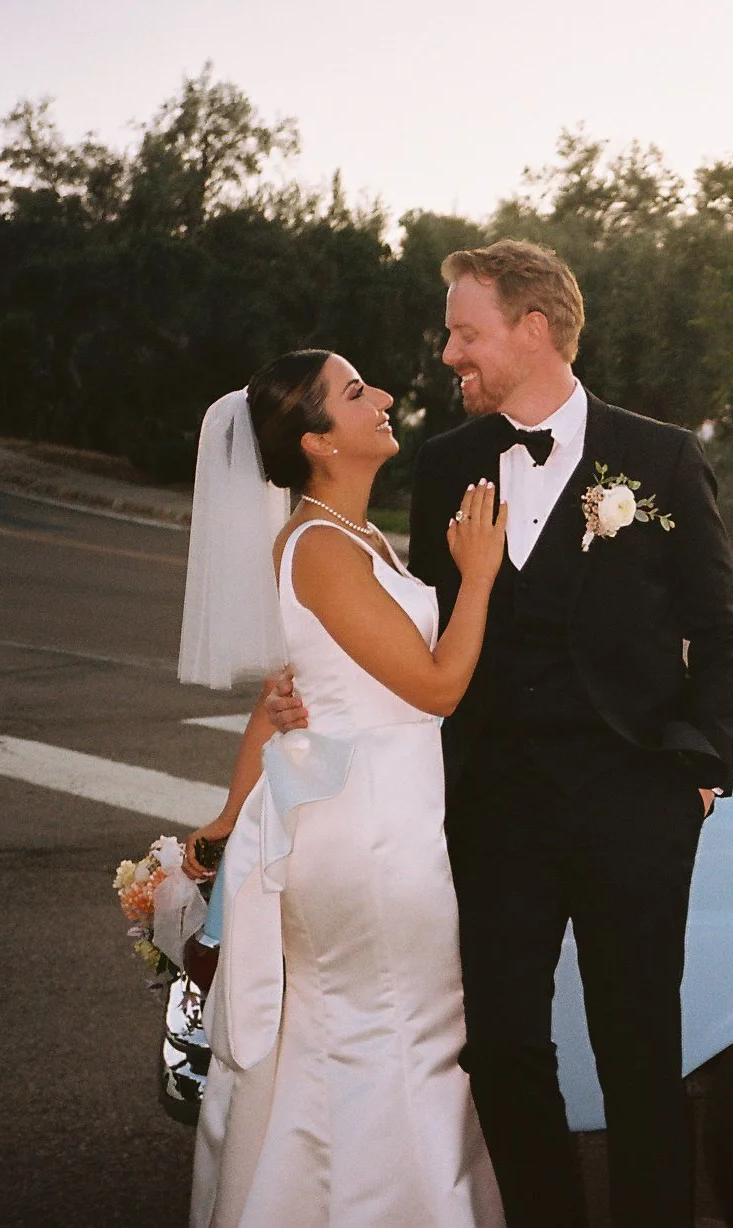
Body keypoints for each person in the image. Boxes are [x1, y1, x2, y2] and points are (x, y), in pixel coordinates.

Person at [266, 240, 733, 1227]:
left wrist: (698, 770)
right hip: (490, 813)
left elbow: (721, 629)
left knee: (639, 1054)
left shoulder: (659, 457)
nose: (450, 355)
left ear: (533, 331)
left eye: (465, 332)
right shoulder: (445, 465)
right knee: (497, 1044)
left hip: (633, 807)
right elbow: (419, 631)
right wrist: (305, 695)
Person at [178, 349, 506, 1227]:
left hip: (388, 817)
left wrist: (224, 815)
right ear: (320, 441)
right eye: (358, 394)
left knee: (363, 1036)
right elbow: (435, 688)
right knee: (403, 1032)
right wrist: (477, 576)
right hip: (365, 835)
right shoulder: (321, 548)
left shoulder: (353, 537)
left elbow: (277, 700)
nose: (387, 398)